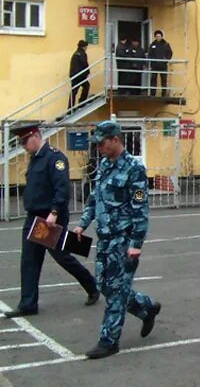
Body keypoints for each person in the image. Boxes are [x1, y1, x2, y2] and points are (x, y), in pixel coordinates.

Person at [74, 120, 161, 359]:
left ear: (115, 139)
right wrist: (82, 224)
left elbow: (140, 209)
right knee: (104, 286)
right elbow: (95, 198)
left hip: (123, 240)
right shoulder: (104, 165)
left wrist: (136, 245)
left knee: (117, 291)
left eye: (102, 142)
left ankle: (108, 340)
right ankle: (147, 307)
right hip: (104, 239)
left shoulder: (134, 168)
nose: (99, 147)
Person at [2, 124, 99, 318]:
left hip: (49, 217)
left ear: (36, 136)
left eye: (25, 141)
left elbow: (62, 188)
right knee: (29, 260)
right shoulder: (35, 158)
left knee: (63, 257)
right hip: (34, 217)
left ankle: (92, 286)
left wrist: (54, 212)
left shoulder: (55, 157)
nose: (23, 146)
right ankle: (28, 304)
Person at [148, 30, 173, 97]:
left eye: (159, 36)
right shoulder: (152, 45)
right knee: (153, 79)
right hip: (154, 65)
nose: (158, 37)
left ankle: (164, 93)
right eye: (157, 36)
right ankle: (152, 94)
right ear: (155, 37)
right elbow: (149, 54)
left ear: (161, 36)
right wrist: (151, 62)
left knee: (164, 79)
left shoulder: (166, 44)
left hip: (163, 65)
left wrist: (166, 60)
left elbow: (170, 53)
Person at [68, 40, 90, 112]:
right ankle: (81, 102)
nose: (86, 48)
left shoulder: (75, 53)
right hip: (80, 76)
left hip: (74, 75)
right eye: (86, 46)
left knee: (73, 92)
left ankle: (70, 108)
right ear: (84, 46)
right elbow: (85, 64)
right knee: (87, 86)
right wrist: (87, 72)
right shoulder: (82, 54)